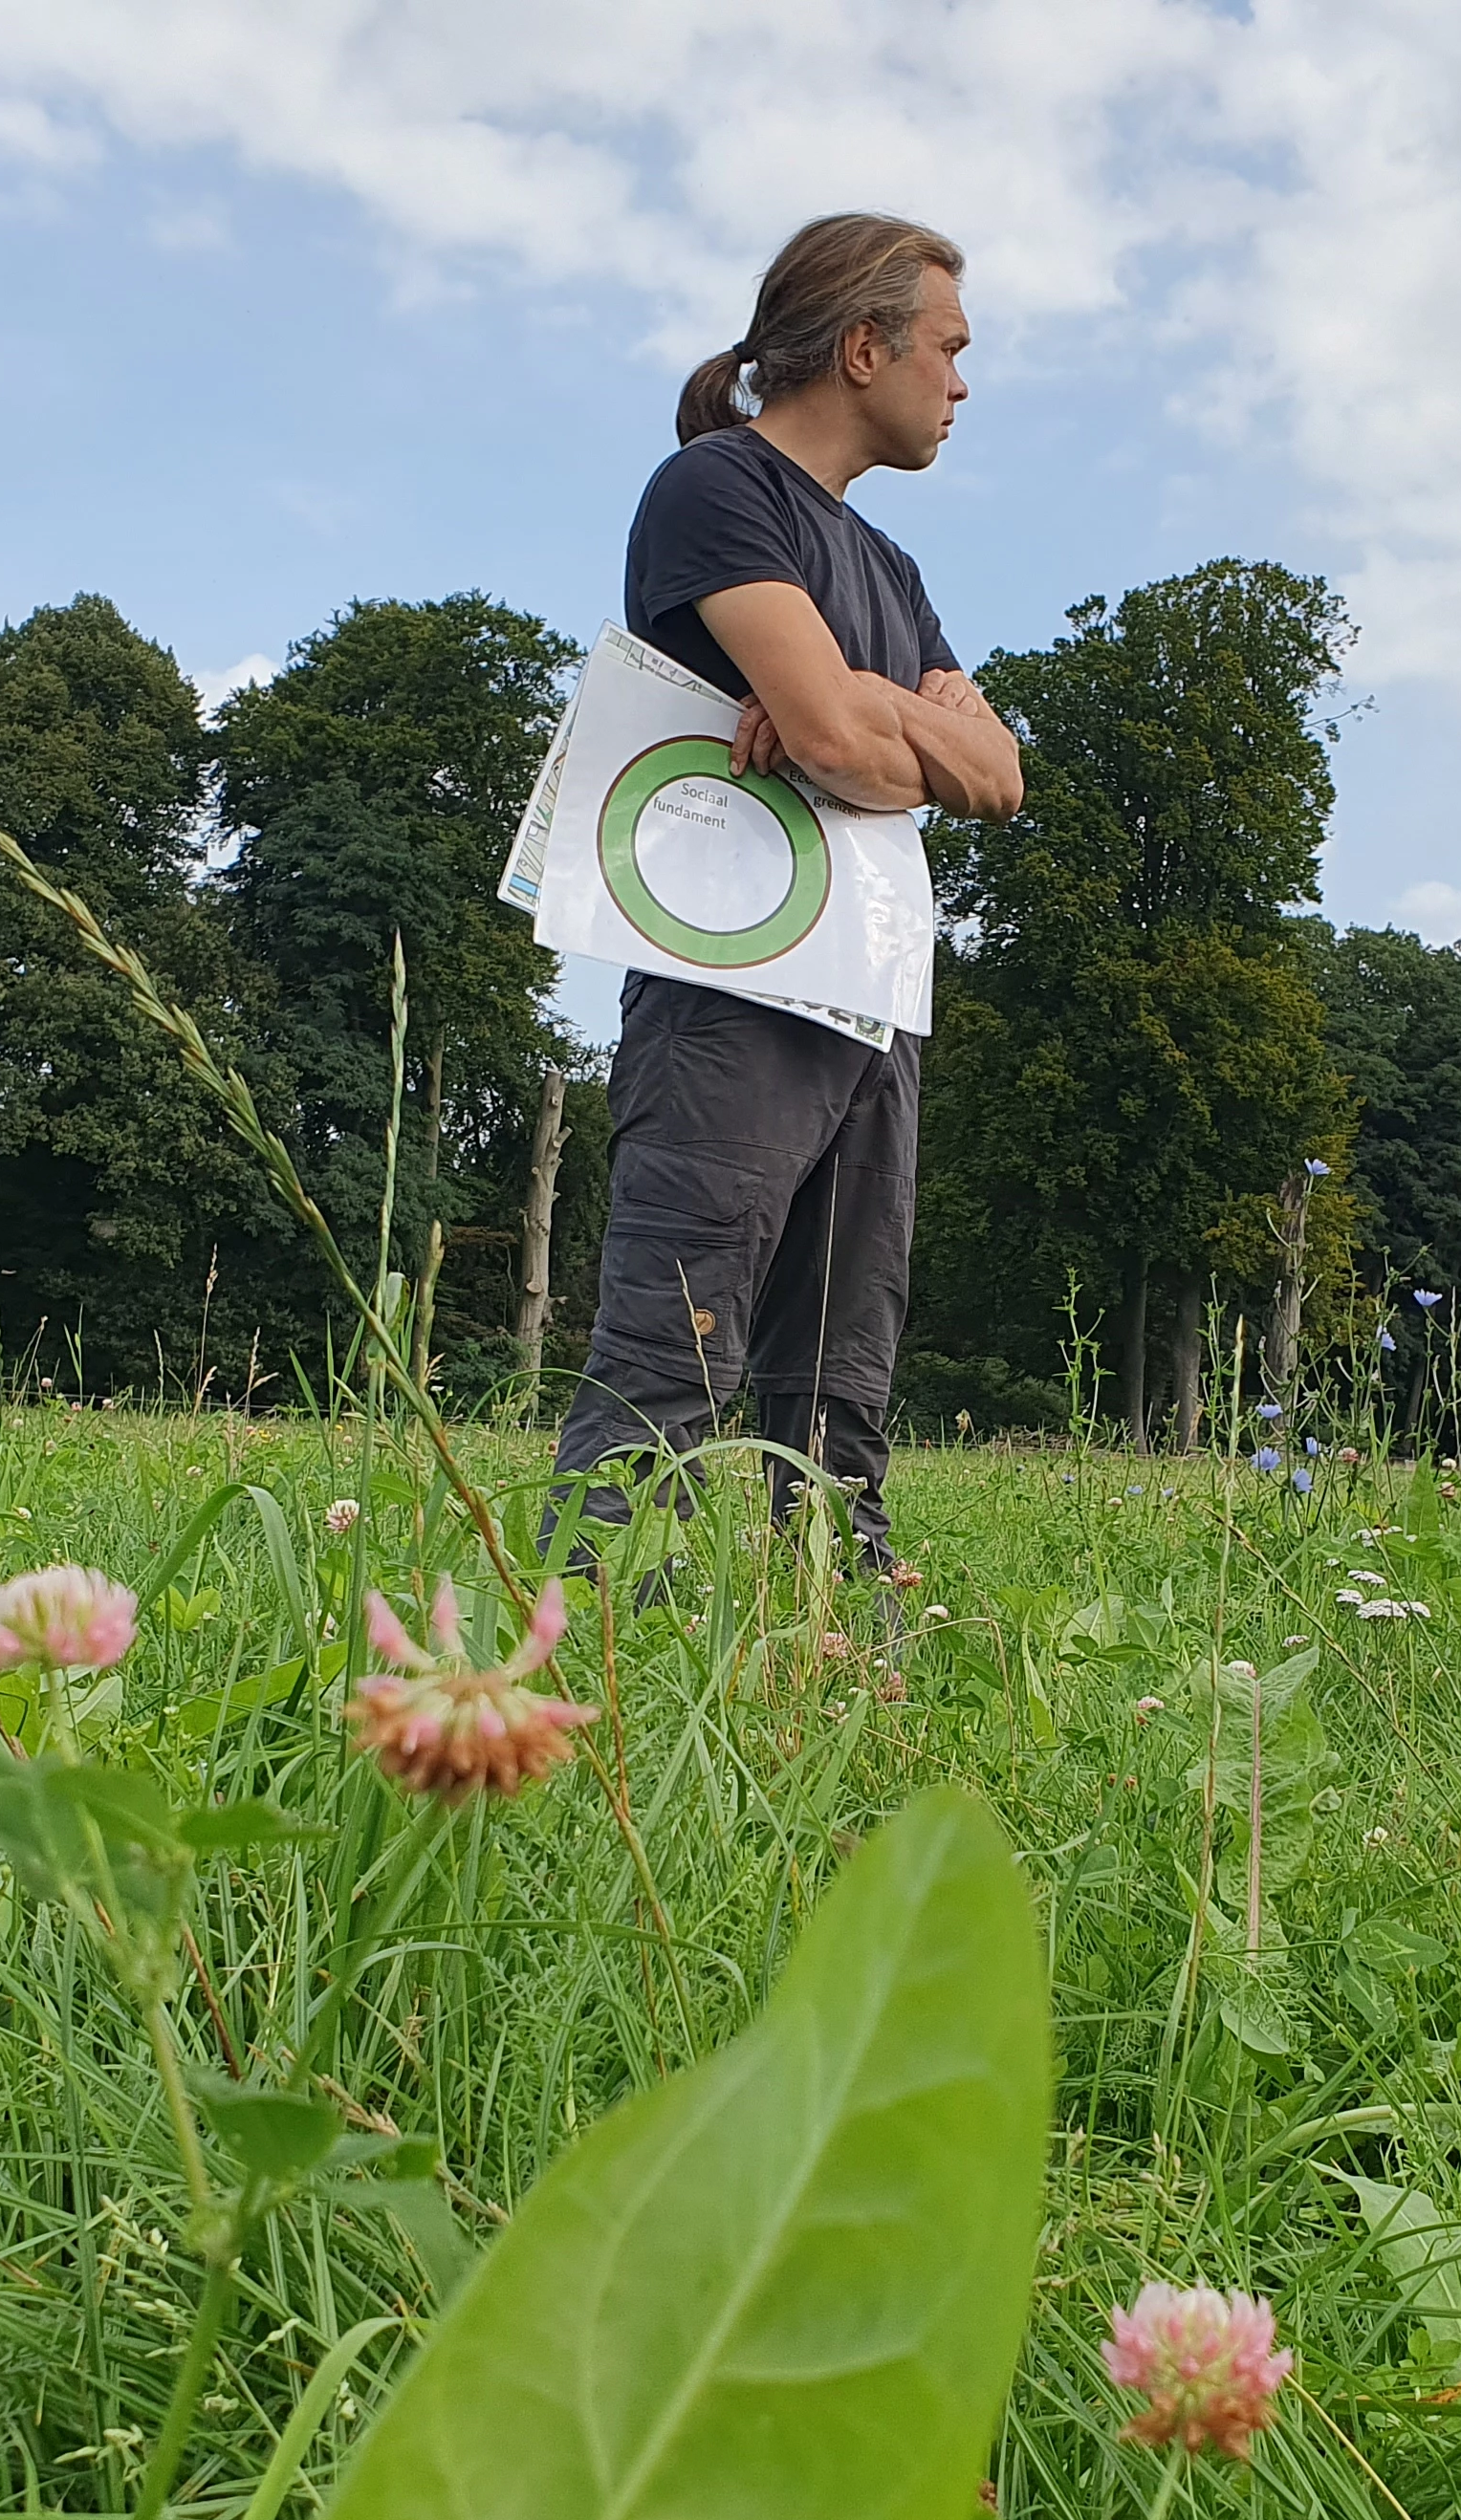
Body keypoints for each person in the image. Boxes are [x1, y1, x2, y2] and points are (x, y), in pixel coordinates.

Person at [546, 213, 1026, 1575]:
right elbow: (833, 747)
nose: (961, 381)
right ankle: (600, 1679)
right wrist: (872, 718)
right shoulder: (716, 488)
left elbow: (1000, 774)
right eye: (947, 347)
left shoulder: (890, 568)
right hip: (730, 1000)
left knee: (841, 1378)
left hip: (875, 997)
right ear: (864, 346)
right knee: (667, 1360)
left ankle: (828, 1658)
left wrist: (863, 697)